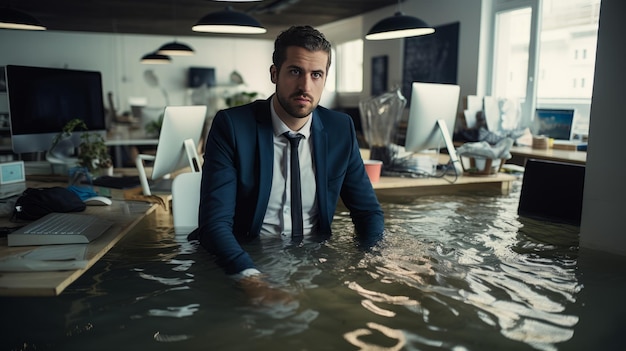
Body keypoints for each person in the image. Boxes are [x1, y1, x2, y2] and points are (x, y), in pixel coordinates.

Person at [189, 25, 384, 301]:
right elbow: (214, 225)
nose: (306, 86)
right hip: (247, 256)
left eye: (316, 75)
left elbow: (368, 213)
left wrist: (371, 262)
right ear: (274, 73)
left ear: (325, 78)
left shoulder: (340, 128)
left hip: (315, 259)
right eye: (295, 71)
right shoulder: (232, 126)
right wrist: (250, 279)